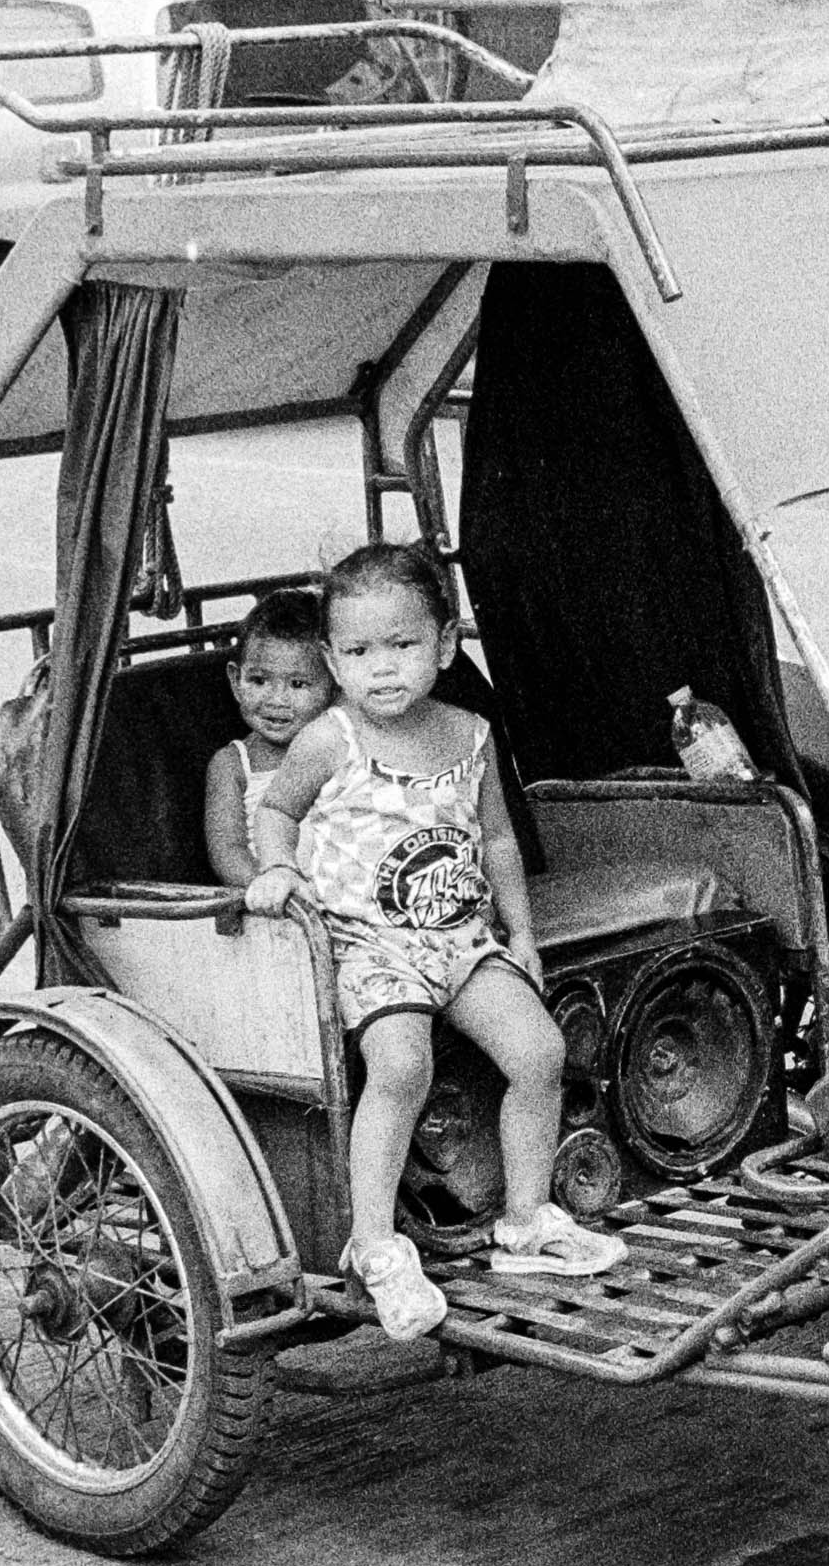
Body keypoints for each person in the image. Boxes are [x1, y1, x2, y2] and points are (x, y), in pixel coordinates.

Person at [250, 542, 625, 1340]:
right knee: (400, 1063)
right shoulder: (331, 738)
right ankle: (374, 1242)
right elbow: (276, 809)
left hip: (459, 936)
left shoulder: (470, 733)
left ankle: (526, 1218)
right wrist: (279, 870)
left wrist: (519, 931)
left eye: (403, 645)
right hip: (369, 945)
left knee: (539, 1051)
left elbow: (495, 841)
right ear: (332, 659)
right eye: (357, 652)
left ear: (447, 644)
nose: (381, 668)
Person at [204, 589, 335, 891]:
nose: (276, 700)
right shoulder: (233, 764)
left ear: (333, 684)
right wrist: (272, 886)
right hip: (273, 903)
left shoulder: (340, 744)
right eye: (259, 681)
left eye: (298, 684)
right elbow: (227, 850)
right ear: (236, 681)